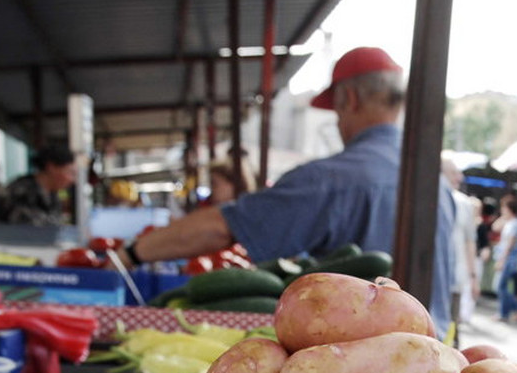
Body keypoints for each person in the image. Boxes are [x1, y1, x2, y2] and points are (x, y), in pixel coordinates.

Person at [116, 46, 456, 338]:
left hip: (366, 372)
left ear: (348, 99)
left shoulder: (330, 179)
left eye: (336, 110)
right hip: (438, 360)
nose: (337, 122)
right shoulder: (436, 183)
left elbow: (222, 226)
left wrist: (129, 255)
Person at [441, 153, 479, 336]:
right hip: (435, 275)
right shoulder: (428, 197)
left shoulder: (464, 204)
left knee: (450, 326)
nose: (460, 177)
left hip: (455, 276)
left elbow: (469, 242)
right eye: (454, 172)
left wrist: (472, 276)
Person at [0, 144, 77, 226]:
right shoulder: (21, 192)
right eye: (70, 173)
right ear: (51, 168)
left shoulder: (53, 195)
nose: (72, 180)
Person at [492, 194, 517, 322]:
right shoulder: (509, 223)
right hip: (506, 259)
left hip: (509, 260)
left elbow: (510, 245)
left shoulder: (514, 224)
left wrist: (502, 260)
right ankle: (509, 310)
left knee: (501, 286)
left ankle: (514, 308)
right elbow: (495, 226)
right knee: (501, 286)